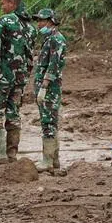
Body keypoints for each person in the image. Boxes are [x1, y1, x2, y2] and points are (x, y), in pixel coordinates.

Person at [0, 0, 36, 168]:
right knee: (14, 113)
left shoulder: (4, 22)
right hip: (20, 78)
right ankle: (11, 154)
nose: (1, 6)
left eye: (3, 3)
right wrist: (24, 77)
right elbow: (30, 56)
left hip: (2, 76)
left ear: (12, 3)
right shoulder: (30, 27)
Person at [33, 9, 67, 174]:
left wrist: (44, 88)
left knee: (48, 123)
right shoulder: (49, 39)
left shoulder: (56, 40)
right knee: (50, 122)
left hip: (50, 88)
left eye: (42, 21)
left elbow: (53, 65)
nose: (39, 24)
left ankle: (48, 160)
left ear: (51, 21)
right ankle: (54, 160)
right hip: (47, 87)